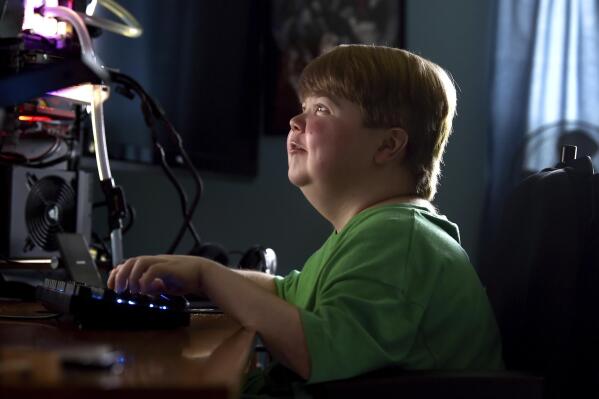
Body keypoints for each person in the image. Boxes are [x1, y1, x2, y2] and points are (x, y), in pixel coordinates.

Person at [108, 44, 504, 395]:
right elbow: (286, 294)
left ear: (388, 145)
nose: (296, 122)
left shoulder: (399, 237)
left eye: (322, 109)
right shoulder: (378, 230)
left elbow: (318, 349)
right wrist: (198, 277)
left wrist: (210, 277)